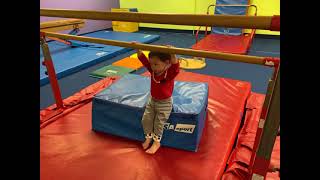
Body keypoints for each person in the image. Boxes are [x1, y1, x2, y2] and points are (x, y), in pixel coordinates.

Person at [133, 42, 180, 154]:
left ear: (166, 63)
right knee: (146, 119)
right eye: (152, 64)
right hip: (153, 100)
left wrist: (173, 54)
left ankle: (156, 142)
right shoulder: (153, 70)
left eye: (156, 64)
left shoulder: (169, 73)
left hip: (164, 103)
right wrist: (138, 48)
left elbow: (175, 67)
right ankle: (148, 137)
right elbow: (143, 60)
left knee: (159, 123)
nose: (153, 67)